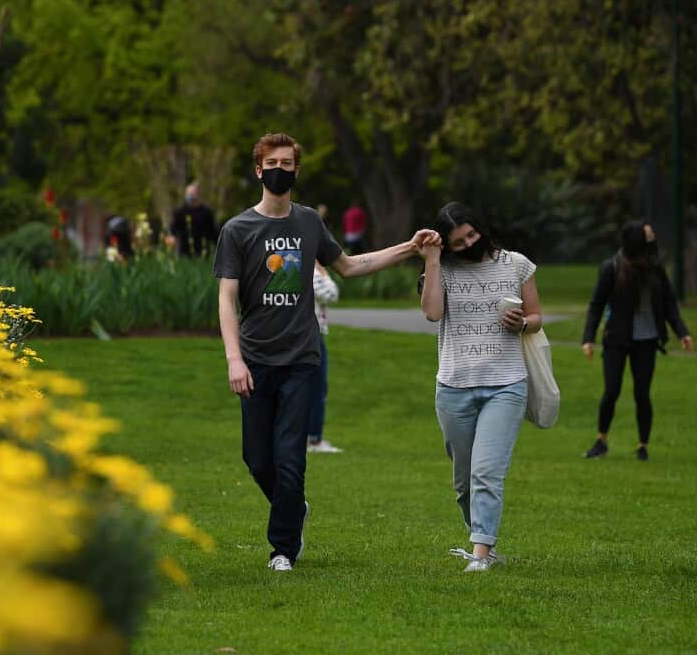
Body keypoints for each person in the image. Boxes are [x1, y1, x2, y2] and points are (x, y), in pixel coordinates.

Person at [213, 131, 440, 573]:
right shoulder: (238, 229)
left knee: (291, 456)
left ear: (297, 170)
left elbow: (351, 266)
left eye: (287, 163)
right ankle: (294, 508)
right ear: (258, 170)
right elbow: (226, 299)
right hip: (256, 358)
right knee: (257, 458)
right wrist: (234, 359)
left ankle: (282, 550)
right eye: (272, 164)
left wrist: (409, 248)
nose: (280, 170)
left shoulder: (309, 223)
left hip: (302, 358)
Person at [418, 201, 541, 573]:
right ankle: (480, 535)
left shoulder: (516, 264)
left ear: (481, 228)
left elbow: (536, 317)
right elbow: (432, 313)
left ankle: (481, 553)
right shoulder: (442, 270)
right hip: (455, 385)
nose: (469, 243)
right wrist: (434, 259)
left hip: (506, 383)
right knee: (464, 479)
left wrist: (521, 322)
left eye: (472, 234)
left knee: (486, 471)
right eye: (458, 241)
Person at [581, 221, 692, 461]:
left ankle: (643, 445)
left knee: (642, 393)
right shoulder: (611, 268)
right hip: (616, 339)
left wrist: (682, 332)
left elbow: (670, 302)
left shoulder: (654, 269)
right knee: (611, 390)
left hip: (647, 339)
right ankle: (601, 440)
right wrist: (588, 338)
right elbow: (596, 304)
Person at [308, 261, 342, 453]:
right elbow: (331, 293)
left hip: (305, 333)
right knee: (317, 387)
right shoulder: (309, 269)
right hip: (312, 334)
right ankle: (314, 439)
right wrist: (324, 273)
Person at [170, 183, 219, 257]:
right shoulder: (180, 212)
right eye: (188, 193)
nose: (190, 196)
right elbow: (173, 227)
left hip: (203, 253)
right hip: (184, 253)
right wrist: (172, 237)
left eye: (192, 193)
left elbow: (213, 232)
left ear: (198, 194)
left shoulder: (206, 212)